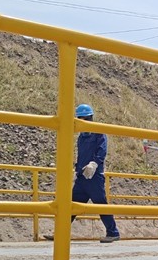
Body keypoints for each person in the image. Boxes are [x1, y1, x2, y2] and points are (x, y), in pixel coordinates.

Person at [44, 104, 120, 243]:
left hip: (94, 177)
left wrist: (94, 163)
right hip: (82, 176)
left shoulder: (99, 132)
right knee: (71, 206)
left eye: (84, 118)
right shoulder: (81, 137)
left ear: (90, 118)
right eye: (80, 118)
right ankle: (60, 232)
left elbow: (102, 150)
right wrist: (77, 170)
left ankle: (113, 232)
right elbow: (80, 155)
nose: (82, 121)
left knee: (101, 204)